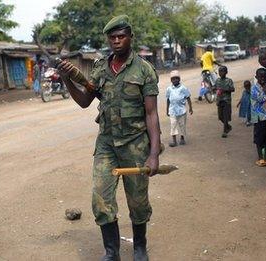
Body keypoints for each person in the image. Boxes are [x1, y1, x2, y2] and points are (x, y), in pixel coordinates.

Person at [56, 15, 160, 261]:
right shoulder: (101, 67)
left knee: (137, 201)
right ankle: (111, 252)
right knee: (100, 199)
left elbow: (152, 113)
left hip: (135, 144)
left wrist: (153, 154)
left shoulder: (144, 70)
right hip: (106, 145)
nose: (116, 41)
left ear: (130, 37)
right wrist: (67, 79)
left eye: (121, 36)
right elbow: (84, 101)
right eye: (112, 37)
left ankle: (139, 248)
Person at [166, 70, 193, 147]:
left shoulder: (183, 88)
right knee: (173, 125)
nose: (175, 80)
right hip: (172, 111)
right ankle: (174, 141)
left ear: (179, 79)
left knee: (182, 125)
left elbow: (188, 98)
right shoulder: (169, 89)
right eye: (173, 79)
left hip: (182, 111)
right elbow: (168, 99)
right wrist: (167, 109)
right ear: (171, 80)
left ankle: (182, 138)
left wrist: (190, 108)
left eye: (176, 78)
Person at [214, 66, 235, 138]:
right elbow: (214, 87)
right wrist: (214, 89)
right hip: (219, 100)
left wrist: (224, 90)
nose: (221, 73)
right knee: (220, 116)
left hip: (226, 100)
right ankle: (228, 126)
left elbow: (232, 89)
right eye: (220, 71)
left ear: (226, 72)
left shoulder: (229, 80)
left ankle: (225, 131)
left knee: (226, 116)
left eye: (222, 71)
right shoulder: (217, 81)